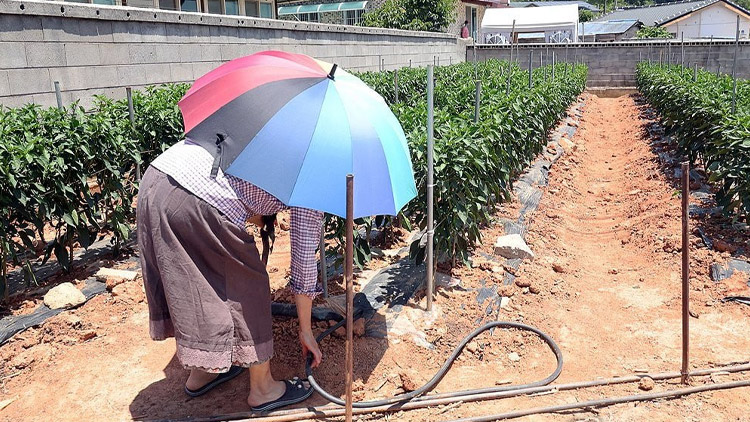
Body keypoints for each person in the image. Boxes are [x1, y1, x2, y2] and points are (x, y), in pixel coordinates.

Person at [137, 138, 324, 412]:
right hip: (197, 196)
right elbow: (304, 260)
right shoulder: (314, 174)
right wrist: (306, 331)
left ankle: (205, 371)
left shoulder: (271, 129)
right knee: (249, 284)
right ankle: (263, 389)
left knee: (194, 280)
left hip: (159, 176)